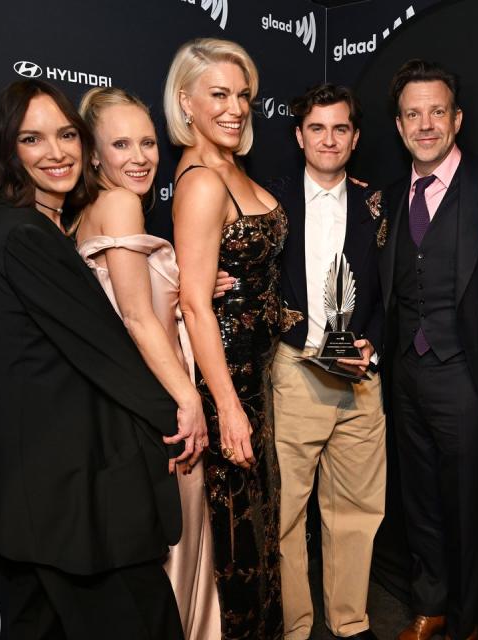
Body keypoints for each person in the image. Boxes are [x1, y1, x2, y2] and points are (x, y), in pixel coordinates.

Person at [0, 79, 195, 639]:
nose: (57, 151)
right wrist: (180, 410)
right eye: (33, 139)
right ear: (7, 150)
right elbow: (106, 349)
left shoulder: (24, 229)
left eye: (66, 134)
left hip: (45, 495)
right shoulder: (23, 236)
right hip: (71, 496)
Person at [71, 87, 220, 640]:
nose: (140, 156)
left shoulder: (86, 210)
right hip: (160, 408)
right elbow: (136, 320)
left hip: (129, 410)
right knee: (175, 553)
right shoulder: (121, 203)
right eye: (121, 144)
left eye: (149, 142)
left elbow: (129, 299)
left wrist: (184, 281)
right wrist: (190, 400)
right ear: (93, 153)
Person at [164, 37, 285, 639]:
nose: (236, 107)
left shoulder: (230, 167)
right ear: (185, 101)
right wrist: (229, 408)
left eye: (243, 95)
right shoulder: (203, 182)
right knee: (239, 542)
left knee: (262, 536)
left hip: (256, 378)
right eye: (219, 94)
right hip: (227, 381)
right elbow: (193, 302)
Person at [379, 59, 478, 640]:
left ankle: (469, 618)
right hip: (405, 374)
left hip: (463, 374)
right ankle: (432, 602)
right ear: (400, 127)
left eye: (436, 112)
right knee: (419, 498)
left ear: (457, 119)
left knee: (467, 505)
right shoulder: (385, 196)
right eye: (412, 114)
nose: (425, 124)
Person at [270, 83, 385, 640]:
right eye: (317, 128)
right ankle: (295, 626)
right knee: (289, 513)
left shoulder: (377, 204)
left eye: (340, 128)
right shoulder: (270, 201)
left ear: (355, 137)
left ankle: (351, 623)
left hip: (361, 374)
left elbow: (395, 293)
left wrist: (373, 346)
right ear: (299, 135)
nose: (329, 139)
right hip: (298, 367)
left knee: (357, 509)